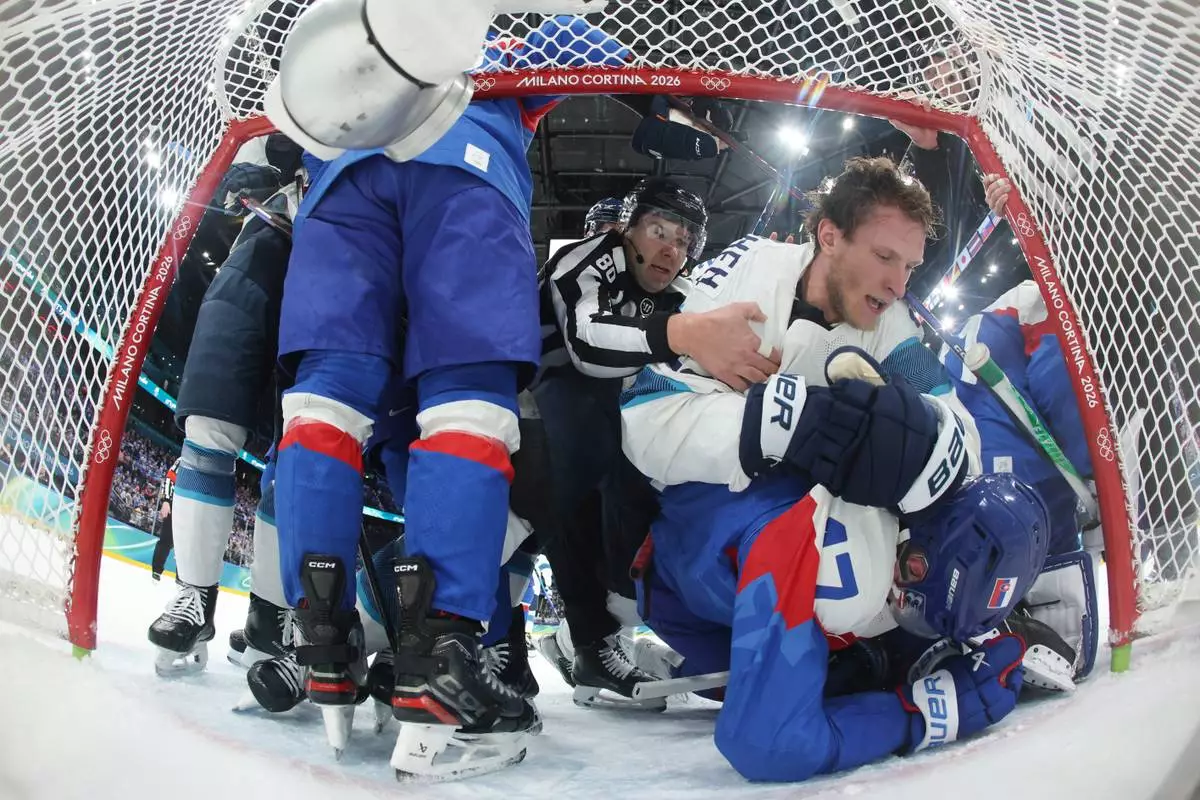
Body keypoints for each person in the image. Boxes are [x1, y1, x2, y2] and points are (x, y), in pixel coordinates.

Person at [270, 14, 636, 779]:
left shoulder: (358, 25)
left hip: (343, 170)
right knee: (467, 404)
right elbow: (604, 56)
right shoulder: (499, 45)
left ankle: (322, 643)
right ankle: (439, 661)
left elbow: (291, 96)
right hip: (465, 163)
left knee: (323, 404)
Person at [533, 176, 781, 707]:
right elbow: (586, 345)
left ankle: (614, 631)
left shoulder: (681, 293)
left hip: (603, 432)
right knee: (583, 444)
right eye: (658, 230)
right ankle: (575, 638)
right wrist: (683, 335)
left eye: (683, 241)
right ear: (626, 229)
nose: (671, 249)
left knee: (654, 472)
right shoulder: (590, 259)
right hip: (532, 420)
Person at [145, 161, 301, 677]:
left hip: (337, 280)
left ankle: (268, 618)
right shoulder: (288, 98)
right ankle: (194, 597)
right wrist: (253, 170)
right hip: (257, 260)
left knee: (302, 454)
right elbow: (249, 153)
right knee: (207, 426)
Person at [149, 458, 178, 582]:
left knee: (188, 547)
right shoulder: (183, 461)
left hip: (192, 511)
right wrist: (166, 500)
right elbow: (169, 479)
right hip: (175, 504)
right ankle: (157, 570)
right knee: (166, 540)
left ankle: (182, 580)